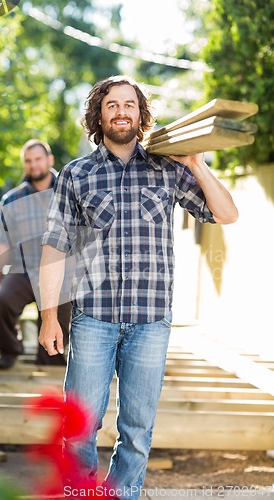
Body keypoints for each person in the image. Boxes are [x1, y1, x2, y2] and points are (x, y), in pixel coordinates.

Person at [38, 76, 238, 497]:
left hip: (150, 323)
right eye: (112, 105)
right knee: (79, 428)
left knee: (137, 429)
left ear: (141, 114)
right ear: (98, 115)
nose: (121, 111)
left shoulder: (168, 170)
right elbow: (54, 248)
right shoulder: (76, 175)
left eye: (130, 104)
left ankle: (123, 493)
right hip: (94, 318)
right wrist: (49, 317)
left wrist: (197, 164)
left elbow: (227, 214)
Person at [0, 139, 71, 369]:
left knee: (60, 317)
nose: (33, 165)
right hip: (23, 272)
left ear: (49, 160)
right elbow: (1, 243)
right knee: (2, 300)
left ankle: (51, 359)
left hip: (60, 274)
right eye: (28, 161)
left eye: (38, 159)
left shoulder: (68, 191)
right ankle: (9, 351)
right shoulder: (11, 199)